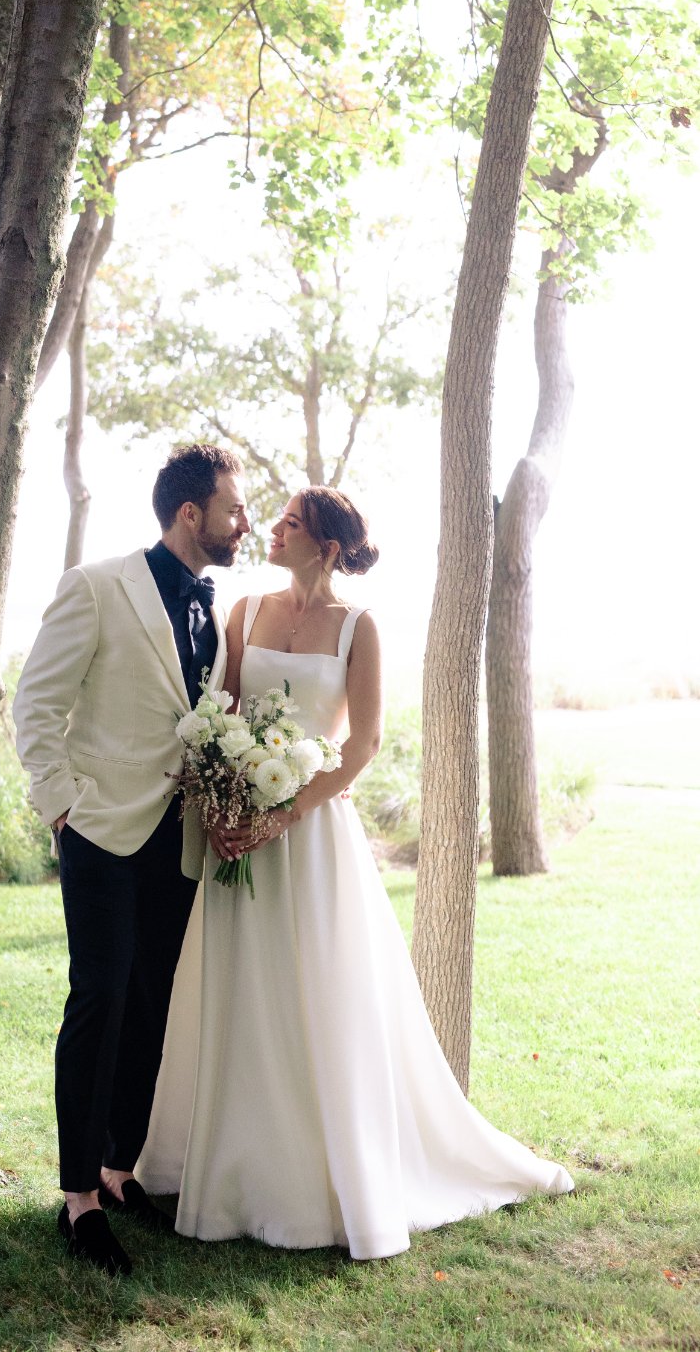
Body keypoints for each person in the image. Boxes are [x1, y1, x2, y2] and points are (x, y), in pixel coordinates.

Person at [138, 485, 574, 1260]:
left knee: (323, 996)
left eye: (293, 524)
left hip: (311, 839)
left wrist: (283, 811)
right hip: (239, 830)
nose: (273, 528)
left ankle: (320, 1182)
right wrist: (227, 801)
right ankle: (227, 1167)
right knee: (241, 992)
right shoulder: (244, 613)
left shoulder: (359, 628)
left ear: (329, 547)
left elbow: (365, 743)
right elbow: (226, 712)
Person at [13, 444, 250, 1275]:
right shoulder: (97, 585)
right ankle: (77, 1199)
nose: (243, 522)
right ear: (191, 513)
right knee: (100, 1001)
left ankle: (120, 1168)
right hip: (102, 831)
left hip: (176, 839)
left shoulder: (215, 612)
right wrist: (61, 805)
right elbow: (36, 701)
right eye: (233, 507)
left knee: (150, 1005)